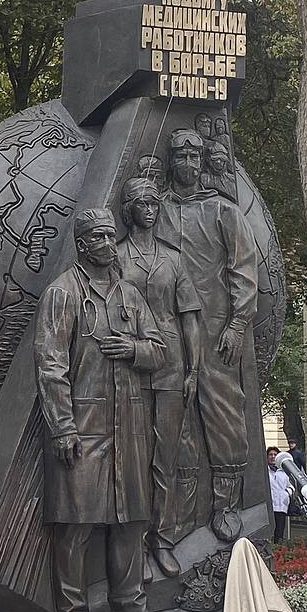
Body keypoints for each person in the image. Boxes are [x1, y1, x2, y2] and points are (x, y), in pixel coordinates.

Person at [34, 208, 166, 612]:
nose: (109, 245)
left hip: (129, 427)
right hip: (83, 427)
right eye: (99, 238)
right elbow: (50, 365)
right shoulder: (63, 292)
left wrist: (131, 348)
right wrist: (62, 427)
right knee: (75, 526)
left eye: (112, 237)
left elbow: (160, 350)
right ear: (82, 245)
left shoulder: (130, 295)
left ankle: (131, 608)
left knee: (130, 521)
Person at [156, 128, 258, 542]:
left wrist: (238, 323)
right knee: (173, 418)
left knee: (224, 415)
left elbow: (243, 269)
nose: (189, 164)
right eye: (180, 157)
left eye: (195, 157)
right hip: (165, 326)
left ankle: (225, 504)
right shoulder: (155, 208)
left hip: (216, 327)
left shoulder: (223, 210)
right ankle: (175, 514)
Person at [117, 177, 202, 577]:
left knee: (163, 460)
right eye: (142, 203)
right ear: (129, 208)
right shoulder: (116, 256)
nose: (150, 209)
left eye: (154, 202)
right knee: (132, 460)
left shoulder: (173, 258)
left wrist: (194, 369)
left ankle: (162, 539)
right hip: (129, 367)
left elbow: (190, 318)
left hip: (170, 367)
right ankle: (133, 544)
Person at [267, 449, 291, 543]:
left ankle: (278, 549)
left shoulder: (284, 471)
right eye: (270, 454)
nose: (272, 456)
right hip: (270, 506)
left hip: (281, 505)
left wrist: (287, 493)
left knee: (279, 531)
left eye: (275, 454)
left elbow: (291, 485)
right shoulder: (265, 471)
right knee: (269, 530)